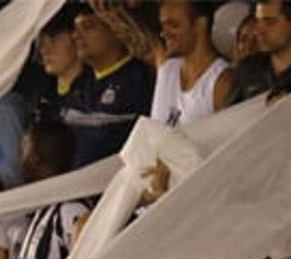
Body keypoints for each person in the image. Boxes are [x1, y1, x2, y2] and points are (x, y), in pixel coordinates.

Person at [38, 6, 154, 171]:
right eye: (75, 29)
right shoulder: (78, 85)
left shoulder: (141, 80)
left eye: (88, 27)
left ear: (116, 31)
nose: (76, 36)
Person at [150, 0, 231, 126]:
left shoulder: (222, 82)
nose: (164, 33)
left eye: (173, 25)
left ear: (200, 25)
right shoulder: (166, 69)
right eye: (163, 26)